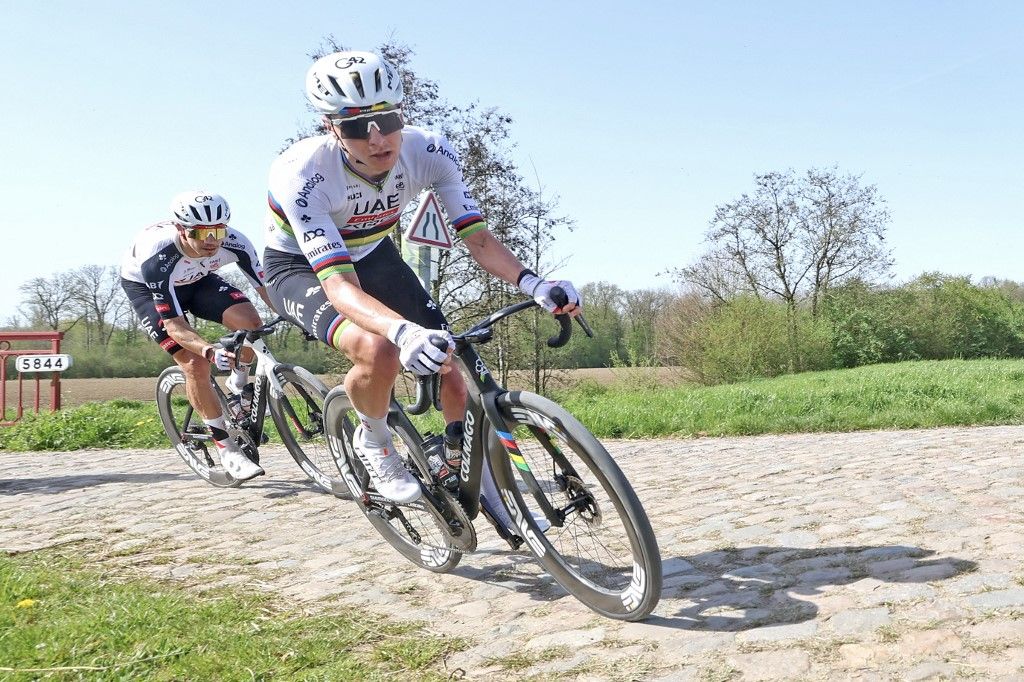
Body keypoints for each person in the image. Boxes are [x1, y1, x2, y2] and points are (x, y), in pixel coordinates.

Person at [263, 51, 582, 509]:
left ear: (402, 113)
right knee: (378, 349)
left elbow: (479, 239)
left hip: (373, 252)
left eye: (388, 120)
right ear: (331, 127)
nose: (377, 139)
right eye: (356, 127)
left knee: (450, 362)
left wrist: (534, 284)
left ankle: (460, 463)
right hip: (299, 267)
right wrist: (402, 331)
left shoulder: (429, 151)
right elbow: (340, 287)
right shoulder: (303, 174)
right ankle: (374, 441)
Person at [121, 191, 274, 482]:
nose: (211, 240)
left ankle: (237, 384)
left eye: (218, 231)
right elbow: (175, 325)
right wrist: (209, 350)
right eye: (201, 232)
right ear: (181, 229)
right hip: (149, 289)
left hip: (197, 280)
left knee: (252, 324)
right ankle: (225, 447)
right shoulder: (158, 256)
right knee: (195, 364)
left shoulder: (236, 242)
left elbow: (268, 291)